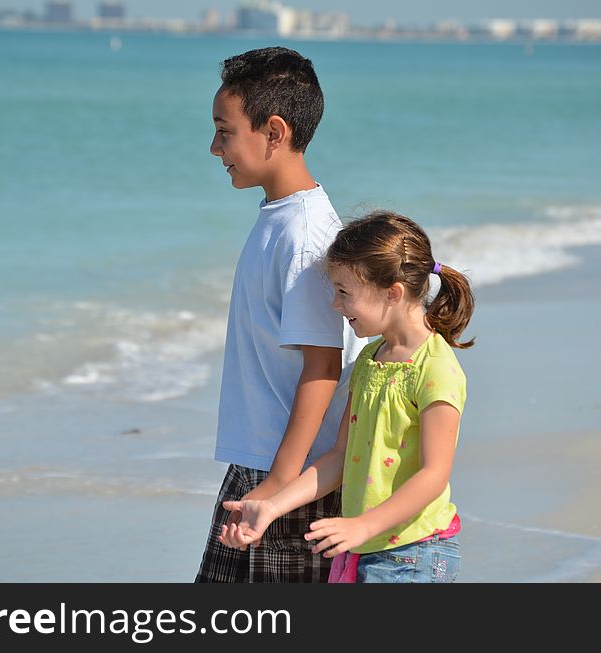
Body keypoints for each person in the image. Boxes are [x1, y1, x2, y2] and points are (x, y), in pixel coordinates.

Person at [219, 211, 475, 583]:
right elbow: (339, 457)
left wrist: (361, 526)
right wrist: (270, 507)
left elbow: (434, 474)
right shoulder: (370, 361)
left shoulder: (435, 369)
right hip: (364, 549)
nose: (336, 306)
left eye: (344, 293)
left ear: (393, 293)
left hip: (414, 553)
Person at [194, 47, 365, 583]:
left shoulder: (307, 233)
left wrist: (279, 485)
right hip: (260, 463)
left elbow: (324, 364)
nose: (214, 146)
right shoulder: (280, 217)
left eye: (225, 131)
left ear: (274, 132)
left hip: (292, 479)